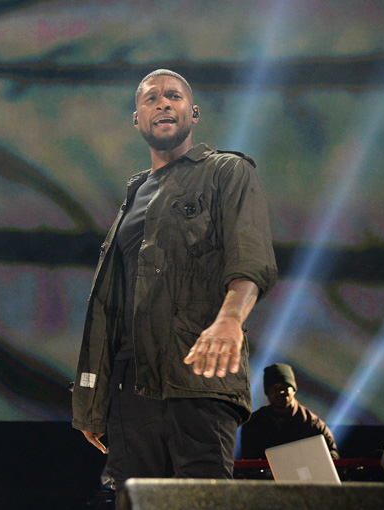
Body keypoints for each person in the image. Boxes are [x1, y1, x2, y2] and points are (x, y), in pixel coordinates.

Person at [72, 69, 278, 483]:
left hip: (196, 376)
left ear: (193, 112)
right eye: (151, 99)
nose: (163, 103)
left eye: (173, 96)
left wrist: (230, 319)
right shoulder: (134, 197)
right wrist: (93, 402)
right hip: (130, 389)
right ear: (137, 119)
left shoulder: (227, 172)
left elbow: (250, 256)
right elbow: (110, 303)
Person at [239, 363, 339, 459]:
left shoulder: (314, 425)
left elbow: (332, 459)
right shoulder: (253, 423)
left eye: (284, 387)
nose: (280, 392)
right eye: (274, 389)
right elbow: (248, 461)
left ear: (294, 389)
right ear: (267, 393)